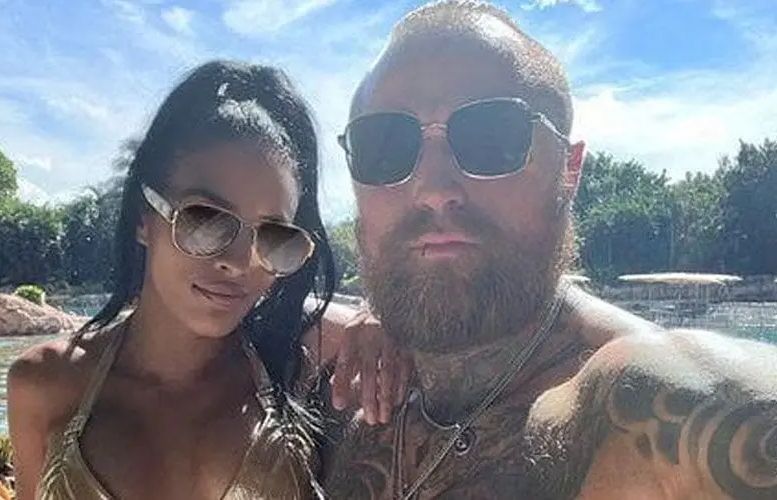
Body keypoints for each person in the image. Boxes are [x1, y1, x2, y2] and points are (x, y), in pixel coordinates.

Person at [321, 2, 777, 499]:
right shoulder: (339, 391)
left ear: (569, 168)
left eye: (492, 136)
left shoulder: (648, 418)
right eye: (384, 147)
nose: (433, 188)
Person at [6, 60, 402, 500]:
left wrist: (377, 320)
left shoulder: (298, 363)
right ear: (143, 217)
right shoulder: (43, 385)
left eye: (275, 239)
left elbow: (377, 329)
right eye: (206, 221)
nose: (240, 263)